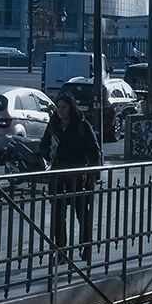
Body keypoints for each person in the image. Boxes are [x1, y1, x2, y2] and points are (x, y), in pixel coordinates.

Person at [41, 91, 103, 264]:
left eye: (64, 107)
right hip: (58, 174)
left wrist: (92, 175)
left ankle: (86, 248)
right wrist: (48, 153)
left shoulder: (82, 125)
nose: (60, 111)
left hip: (78, 176)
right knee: (58, 216)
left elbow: (94, 152)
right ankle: (60, 251)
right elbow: (43, 145)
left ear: (71, 108)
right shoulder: (53, 125)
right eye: (58, 107)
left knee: (83, 216)